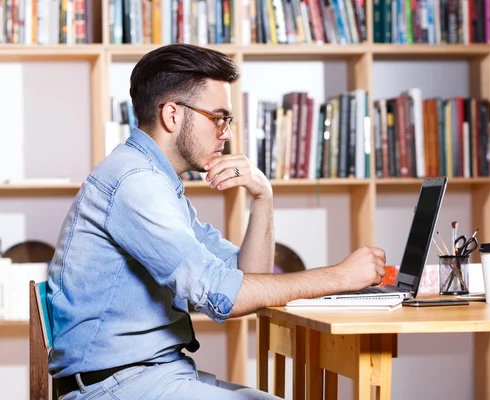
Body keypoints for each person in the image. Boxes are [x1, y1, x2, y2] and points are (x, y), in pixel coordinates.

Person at [47, 43, 387, 400]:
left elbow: (243, 277)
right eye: (218, 117)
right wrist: (341, 276)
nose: (225, 132)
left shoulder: (157, 183)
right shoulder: (136, 184)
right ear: (173, 115)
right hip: (117, 387)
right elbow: (221, 296)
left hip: (155, 376)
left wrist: (262, 196)